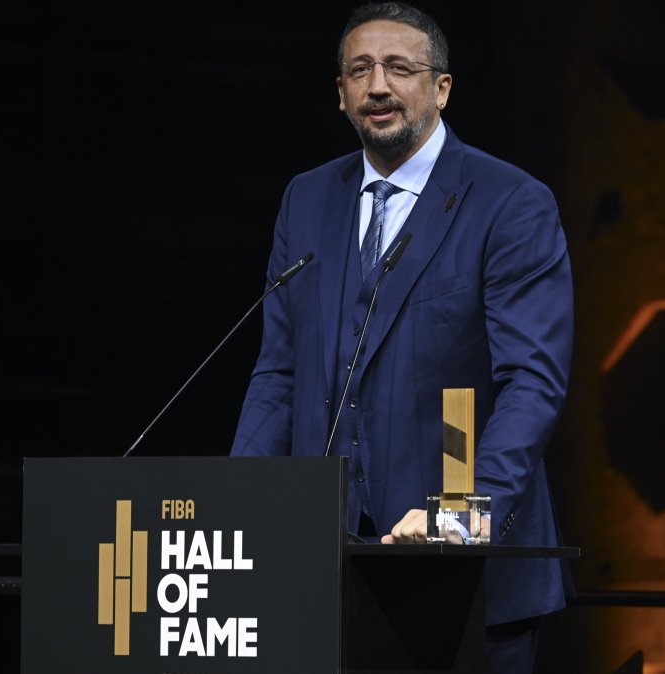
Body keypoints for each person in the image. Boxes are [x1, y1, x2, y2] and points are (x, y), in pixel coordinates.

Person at [230, 2, 573, 670]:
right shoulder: (307, 198)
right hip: (323, 573)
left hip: (464, 576)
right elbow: (279, 373)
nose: (378, 86)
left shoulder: (510, 201)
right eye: (360, 70)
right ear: (340, 93)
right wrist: (240, 503)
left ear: (441, 88)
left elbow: (531, 384)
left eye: (399, 68)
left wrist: (463, 513)